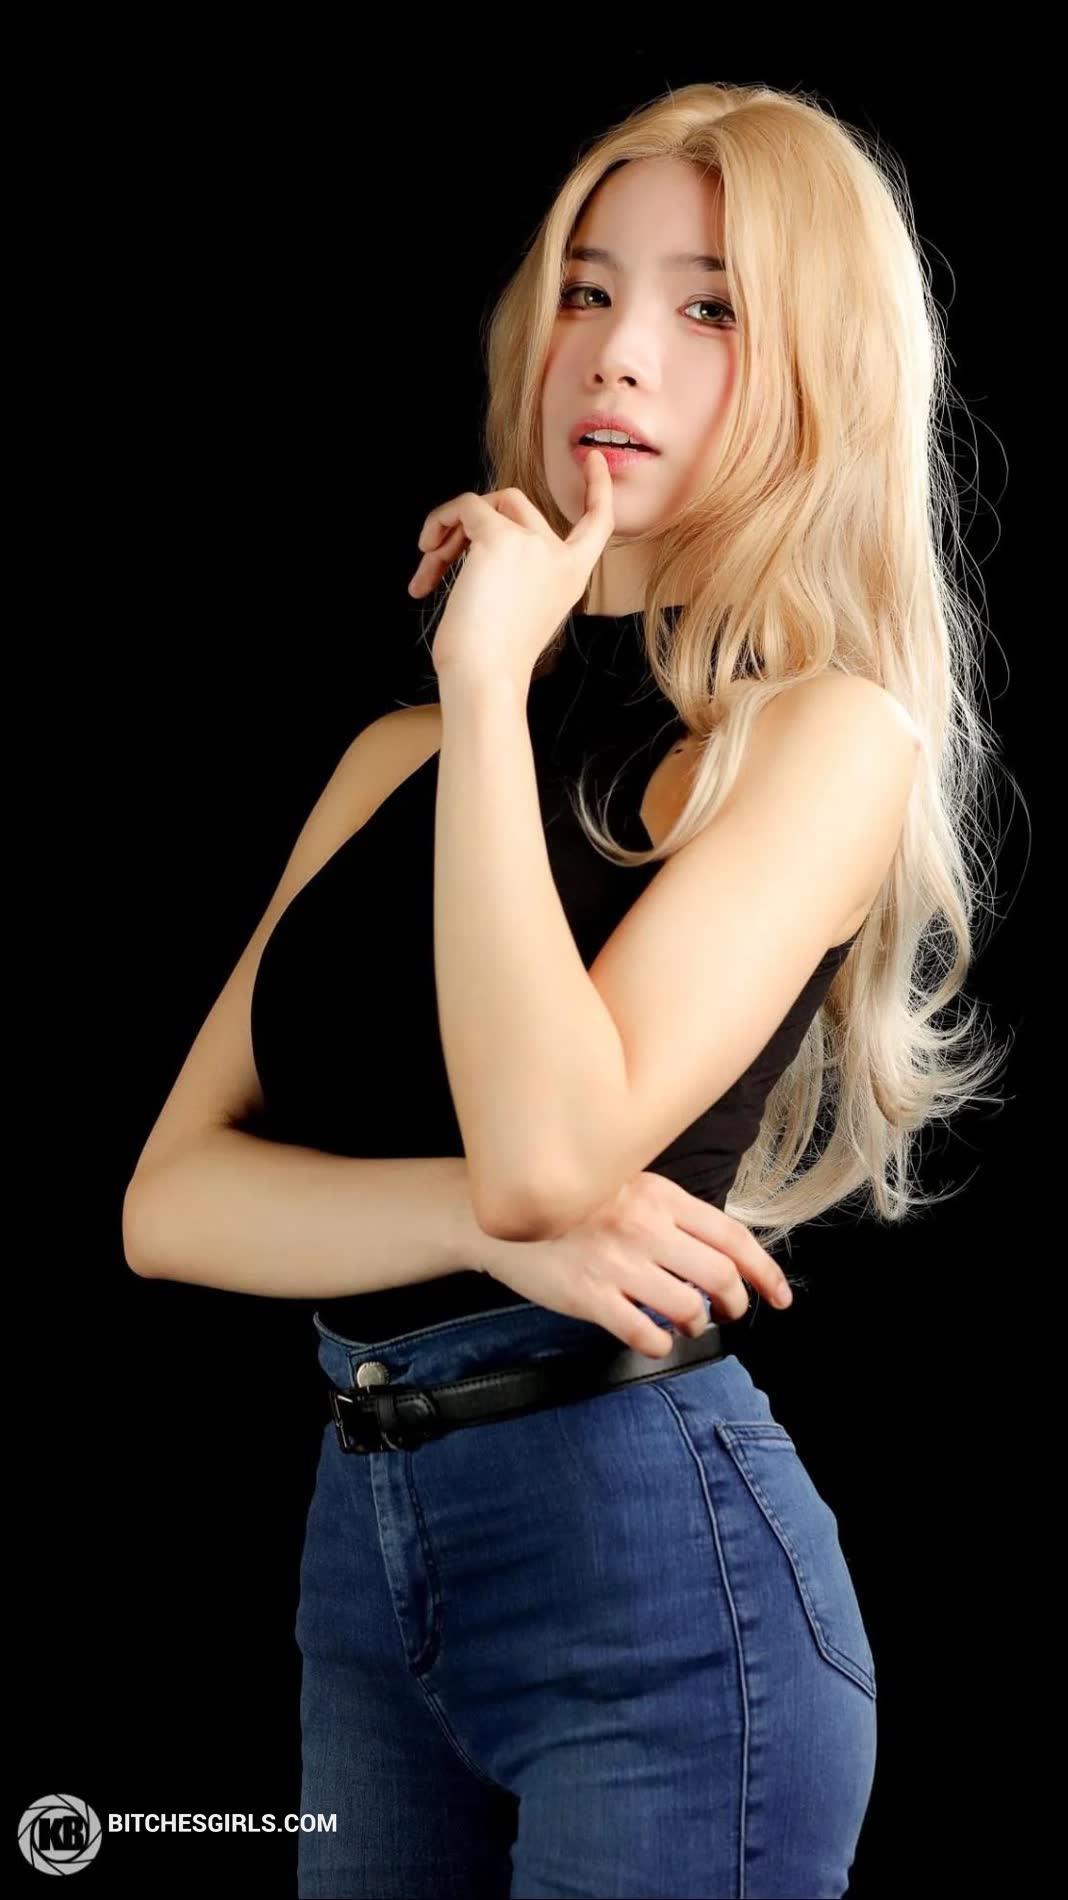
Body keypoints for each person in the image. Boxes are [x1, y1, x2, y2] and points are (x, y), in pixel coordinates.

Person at [123, 80, 1007, 1900]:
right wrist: (477, 1226)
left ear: (820, 374)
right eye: (588, 290)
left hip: (656, 1581)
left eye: (709, 307)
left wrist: (490, 687)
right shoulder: (393, 762)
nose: (618, 350)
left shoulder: (818, 740)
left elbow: (550, 1154)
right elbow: (172, 1202)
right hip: (365, 1557)